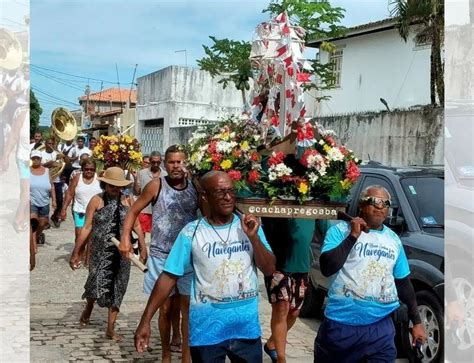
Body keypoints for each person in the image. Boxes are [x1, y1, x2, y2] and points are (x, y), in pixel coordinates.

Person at [133, 171, 276, 363]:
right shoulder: (191, 233)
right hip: (206, 332)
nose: (227, 197)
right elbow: (168, 277)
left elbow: (269, 269)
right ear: (204, 196)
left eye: (230, 191)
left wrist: (253, 238)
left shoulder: (249, 226)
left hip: (246, 331)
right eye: (220, 192)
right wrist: (145, 320)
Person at [314, 185, 427, 363]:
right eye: (374, 201)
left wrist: (417, 322)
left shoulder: (393, 240)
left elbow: (403, 283)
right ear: (361, 204)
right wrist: (352, 237)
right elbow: (327, 267)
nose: (380, 206)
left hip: (380, 328)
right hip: (341, 326)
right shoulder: (339, 231)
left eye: (385, 203)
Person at [120, 145, 199, 363]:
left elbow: (209, 211)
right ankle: (165, 354)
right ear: (165, 164)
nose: (176, 166)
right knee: (164, 309)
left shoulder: (194, 187)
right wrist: (126, 237)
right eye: (172, 162)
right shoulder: (156, 186)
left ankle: (185, 356)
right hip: (162, 255)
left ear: (186, 163)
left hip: (188, 257)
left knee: (187, 310)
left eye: (180, 162)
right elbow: (133, 210)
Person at [69, 167, 146, 341]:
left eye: (118, 186)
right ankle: (89, 306)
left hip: (123, 252)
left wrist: (142, 246)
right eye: (111, 186)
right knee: (95, 282)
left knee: (119, 286)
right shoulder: (96, 201)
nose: (115, 189)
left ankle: (110, 328)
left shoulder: (128, 200)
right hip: (100, 251)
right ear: (105, 184)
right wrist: (77, 251)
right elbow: (87, 227)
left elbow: (137, 225)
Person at [261, 218, 314, 363]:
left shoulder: (313, 205)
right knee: (281, 309)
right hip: (279, 265)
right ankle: (281, 357)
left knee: (294, 311)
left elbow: (330, 221)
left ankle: (272, 343)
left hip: (302, 268)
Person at [61, 158, 102, 264]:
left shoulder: (100, 178)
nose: (89, 171)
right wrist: (64, 209)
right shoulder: (77, 178)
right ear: (82, 169)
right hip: (79, 210)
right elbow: (70, 193)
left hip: (95, 212)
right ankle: (79, 254)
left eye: (92, 169)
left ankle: (88, 259)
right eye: (87, 169)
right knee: (80, 235)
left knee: (91, 237)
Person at [0, 106, 30, 232]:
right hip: (23, 159)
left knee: (28, 191)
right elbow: (13, 137)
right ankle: (19, 218)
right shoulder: (23, 115)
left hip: (34, 161)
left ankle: (25, 215)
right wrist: (5, 156)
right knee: (26, 189)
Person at [133, 150, 164, 236]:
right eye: (153, 162)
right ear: (150, 161)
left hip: (160, 210)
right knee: (141, 235)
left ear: (161, 162)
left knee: (158, 235)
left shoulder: (165, 175)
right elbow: (137, 192)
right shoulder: (142, 173)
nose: (156, 164)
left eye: (158, 162)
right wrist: (136, 179)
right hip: (144, 210)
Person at [30, 149, 56, 246]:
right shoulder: (27, 170)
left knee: (42, 223)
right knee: (33, 222)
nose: (35, 160)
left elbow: (52, 186)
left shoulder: (47, 171)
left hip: (44, 201)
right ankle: (33, 244)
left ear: (41, 159)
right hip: (32, 201)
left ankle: (36, 236)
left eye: (37, 158)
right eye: (34, 158)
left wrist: (54, 200)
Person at [41, 138, 63, 228]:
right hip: (44, 179)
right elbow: (37, 165)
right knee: (44, 201)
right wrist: (49, 163)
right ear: (45, 144)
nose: (50, 145)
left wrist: (63, 157)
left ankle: (55, 216)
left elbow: (64, 164)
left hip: (56, 180)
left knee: (60, 200)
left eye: (52, 143)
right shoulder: (41, 154)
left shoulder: (56, 154)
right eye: (48, 143)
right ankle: (45, 220)